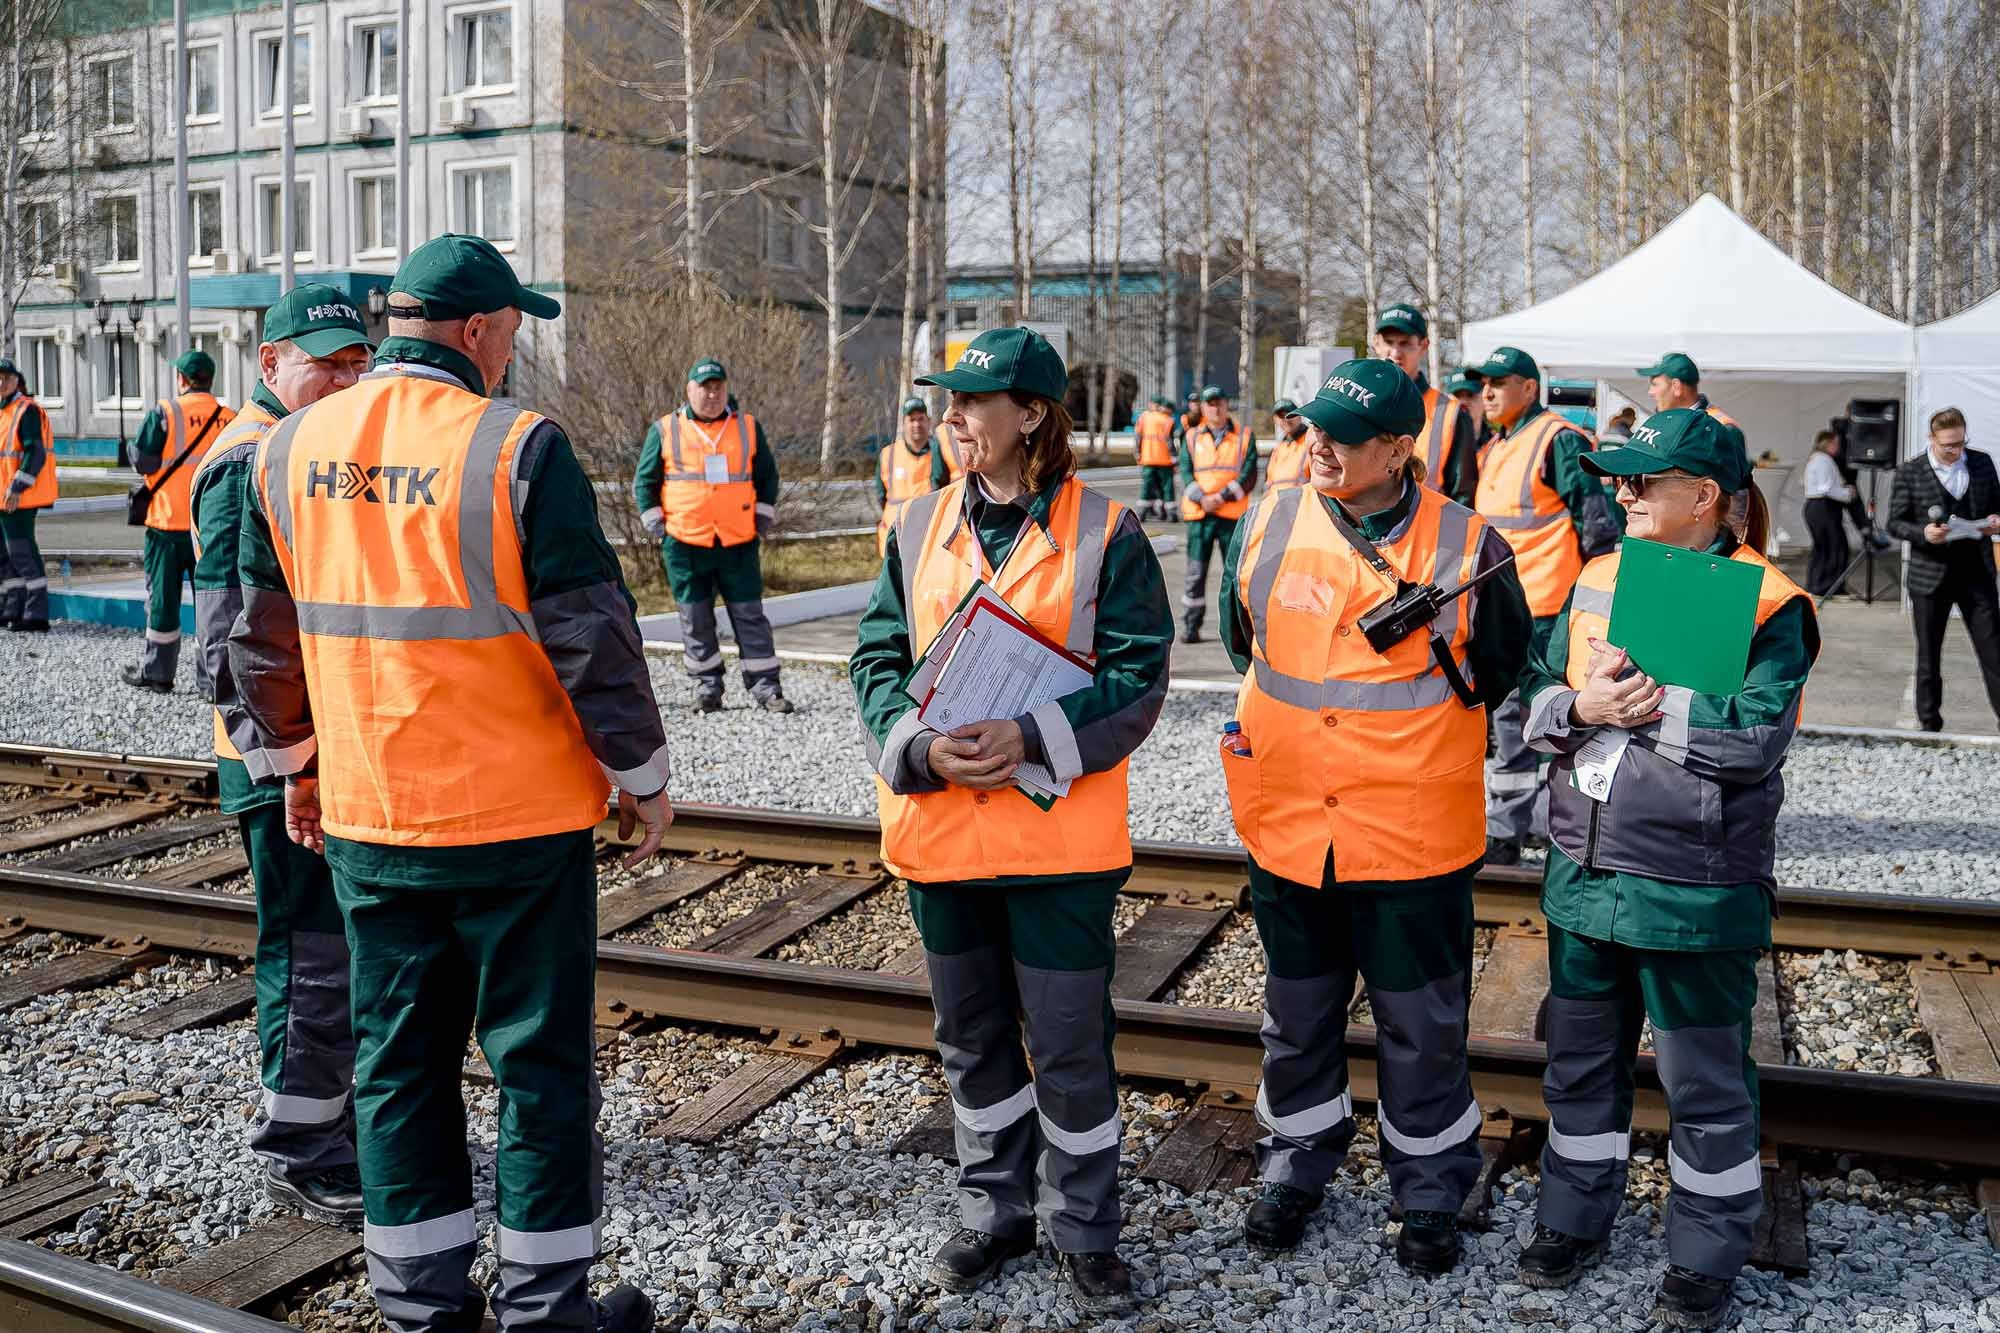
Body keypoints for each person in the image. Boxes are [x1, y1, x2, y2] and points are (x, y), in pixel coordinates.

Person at [229, 233, 671, 1333]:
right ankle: (541, 1311)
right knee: (539, 1070)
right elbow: (591, 638)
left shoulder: (285, 451)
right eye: (514, 328)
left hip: (371, 821)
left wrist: (291, 766)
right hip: (519, 827)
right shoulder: (515, 446)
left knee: (398, 1068)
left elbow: (254, 639)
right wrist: (641, 774)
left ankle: (422, 1308)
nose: (513, 348)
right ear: (477, 331)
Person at [850, 327, 1172, 1317]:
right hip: (943, 839)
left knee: (1070, 1048)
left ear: (1030, 415)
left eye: (970, 402)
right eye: (942, 400)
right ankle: (995, 1211)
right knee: (973, 1042)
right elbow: (871, 662)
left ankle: (1085, 1232)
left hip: (1057, 850)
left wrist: (1029, 733)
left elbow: (1137, 679)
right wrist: (917, 741)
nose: (948, 416)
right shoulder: (914, 526)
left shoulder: (1106, 535)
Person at [1218, 359, 1531, 1272]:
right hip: (1289, 829)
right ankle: (1294, 1165)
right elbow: (1251, 644)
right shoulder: (1268, 520)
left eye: (1345, 437)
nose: (1321, 445)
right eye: (1313, 427)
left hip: (1411, 841)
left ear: (1401, 449)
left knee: (1422, 1026)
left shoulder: (1472, 549)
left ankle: (1429, 1191)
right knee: (1296, 1015)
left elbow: (1503, 666)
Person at [1514, 407, 1817, 1332]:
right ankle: (1573, 1219)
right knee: (1577, 1071)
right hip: (1583, 873)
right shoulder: (1597, 574)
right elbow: (1532, 690)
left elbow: (1753, 739)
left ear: (1707, 499)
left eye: (1643, 481)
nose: (1622, 491)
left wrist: (1636, 708)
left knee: (1706, 1087)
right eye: (1620, 478)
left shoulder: (1771, 604)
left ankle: (1704, 1256)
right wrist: (1578, 701)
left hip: (1694, 889)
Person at [190, 285, 374, 1228]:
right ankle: (299, 1149)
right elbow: (228, 645)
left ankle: (330, 1124)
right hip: (277, 761)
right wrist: (290, 763)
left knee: (329, 951)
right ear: (271, 364)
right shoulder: (244, 462)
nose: (345, 379)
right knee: (308, 956)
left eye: (356, 363)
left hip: (313, 751)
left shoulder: (305, 450)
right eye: (325, 363)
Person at [1473, 347, 1621, 865]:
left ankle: (1512, 829)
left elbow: (1598, 528)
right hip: (1508, 606)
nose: (1486, 391)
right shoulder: (1497, 445)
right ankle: (1530, 822)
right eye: (1483, 383)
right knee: (1517, 720)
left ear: (1528, 388)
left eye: (1498, 382)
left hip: (1548, 610)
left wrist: (1597, 609)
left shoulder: (1556, 440)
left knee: (1527, 718)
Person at [634, 358, 793, 714]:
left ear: (726, 389)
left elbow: (767, 476)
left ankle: (767, 689)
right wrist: (658, 525)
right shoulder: (665, 429)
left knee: (750, 616)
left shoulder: (747, 427)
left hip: (738, 541)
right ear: (689, 390)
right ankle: (708, 689)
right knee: (695, 618)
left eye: (717, 386)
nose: (711, 393)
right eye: (704, 387)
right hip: (685, 543)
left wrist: (762, 517)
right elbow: (645, 482)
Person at [122, 349, 236, 692]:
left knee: (162, 602)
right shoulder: (228, 417)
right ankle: (213, 681)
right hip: (211, 529)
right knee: (214, 605)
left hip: (166, 526)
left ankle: (159, 675)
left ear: (182, 380)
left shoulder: (165, 413)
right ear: (210, 380)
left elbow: (143, 461)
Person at [1885, 407, 2000, 732]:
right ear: (1931, 439)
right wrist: (1923, 533)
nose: (1956, 450)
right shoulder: (1911, 471)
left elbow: (1996, 504)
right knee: (1928, 655)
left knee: (1993, 648)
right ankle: (1929, 724)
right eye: (1949, 445)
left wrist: (1994, 522)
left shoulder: (1981, 463)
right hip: (1929, 575)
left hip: (1976, 571)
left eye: (1960, 443)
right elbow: (1894, 522)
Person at [1373, 304, 1478, 507]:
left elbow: (1463, 495)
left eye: (1405, 343)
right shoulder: (1357, 404)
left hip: (1428, 532)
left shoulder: (1451, 413)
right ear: (1376, 343)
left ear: (1424, 345)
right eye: (1389, 342)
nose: (1395, 352)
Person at [1177, 386, 1259, 643]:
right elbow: (1185, 472)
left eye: (1219, 402)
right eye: (1210, 403)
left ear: (1226, 405)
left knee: (1234, 575)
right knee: (1195, 573)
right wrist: (1203, 499)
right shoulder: (1191, 437)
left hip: (1231, 517)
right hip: (1200, 516)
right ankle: (1191, 625)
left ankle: (1237, 630)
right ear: (1202, 407)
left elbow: (1249, 475)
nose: (1215, 408)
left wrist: (1220, 498)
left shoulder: (1244, 437)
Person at [0, 356, 56, 631]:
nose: (1, 382)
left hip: (18, 497)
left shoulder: (26, 411)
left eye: (6, 378)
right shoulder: (3, 411)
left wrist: (17, 486)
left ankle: (37, 612)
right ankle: (12, 606)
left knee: (21, 551)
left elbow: (35, 452)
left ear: (16, 381)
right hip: (2, 497)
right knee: (4, 555)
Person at [876, 396, 943, 556]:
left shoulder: (939, 453)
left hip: (927, 537)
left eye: (921, 419)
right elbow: (880, 495)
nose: (916, 424)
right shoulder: (888, 454)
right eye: (911, 420)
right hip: (894, 540)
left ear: (928, 421)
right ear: (904, 423)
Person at [1802, 428, 1861, 596]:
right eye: (1835, 443)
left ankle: (1821, 584)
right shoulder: (1823, 460)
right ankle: (1825, 585)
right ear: (1827, 444)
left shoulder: (1817, 459)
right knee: (1832, 547)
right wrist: (1847, 494)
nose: (1838, 447)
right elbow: (1826, 488)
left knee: (1826, 547)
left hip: (1818, 507)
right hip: (1823, 507)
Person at [1640, 352, 1738, 431]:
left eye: (1655, 384)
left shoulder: (1720, 427)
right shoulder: (1660, 423)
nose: (1650, 392)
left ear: (1676, 386)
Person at [1134, 395, 1178, 520]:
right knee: (1167, 487)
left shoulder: (1143, 418)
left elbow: (1138, 437)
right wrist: (1175, 459)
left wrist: (1138, 453)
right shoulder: (1168, 420)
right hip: (1164, 459)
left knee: (1147, 486)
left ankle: (1142, 512)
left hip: (1148, 458)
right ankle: (1170, 514)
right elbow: (1170, 443)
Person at [1263, 399, 1310, 491]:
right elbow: (1269, 481)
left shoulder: (1311, 442)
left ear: (1299, 416)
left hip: (1302, 502)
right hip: (1277, 502)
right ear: (1275, 419)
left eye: (1290, 414)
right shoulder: (1279, 448)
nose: (1286, 419)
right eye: (1281, 416)